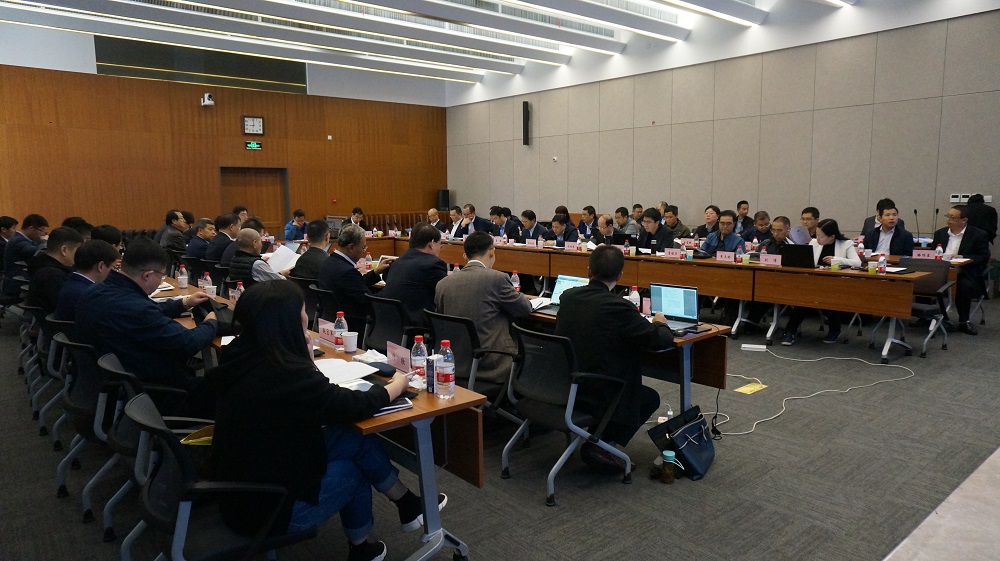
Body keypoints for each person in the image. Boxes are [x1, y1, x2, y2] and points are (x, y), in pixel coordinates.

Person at [208, 281, 441, 561]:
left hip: (241, 486)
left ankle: (406, 502)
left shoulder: (240, 353)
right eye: (303, 313)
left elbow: (317, 402)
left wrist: (303, 362)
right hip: (267, 509)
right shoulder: (287, 373)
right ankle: (362, 549)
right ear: (288, 324)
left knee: (351, 436)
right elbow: (353, 406)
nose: (307, 318)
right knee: (355, 469)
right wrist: (397, 386)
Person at [554, 246, 672, 472]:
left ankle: (598, 435)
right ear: (620, 276)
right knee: (649, 398)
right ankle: (602, 444)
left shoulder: (568, 297)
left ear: (588, 271)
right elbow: (658, 340)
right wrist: (661, 323)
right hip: (598, 392)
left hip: (563, 385)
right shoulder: (620, 307)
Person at [75, 238, 217, 390]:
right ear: (147, 275)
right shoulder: (136, 308)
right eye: (161, 276)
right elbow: (188, 343)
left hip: (109, 378)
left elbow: (147, 312)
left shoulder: (94, 291)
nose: (161, 280)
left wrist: (184, 303)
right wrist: (210, 323)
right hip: (151, 387)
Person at [434, 232, 531, 386]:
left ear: (465, 256)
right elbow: (524, 308)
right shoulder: (497, 278)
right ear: (492, 252)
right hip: (493, 363)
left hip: (456, 361)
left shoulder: (442, 284)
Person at [781, 219, 861, 346]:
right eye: (817, 235)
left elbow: (857, 263)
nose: (817, 238)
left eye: (821, 236)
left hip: (836, 284)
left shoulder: (846, 244)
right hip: (814, 282)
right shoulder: (814, 242)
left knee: (826, 298)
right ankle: (790, 331)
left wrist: (837, 259)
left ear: (832, 236)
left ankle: (835, 329)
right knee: (802, 300)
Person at [318, 224, 392, 343]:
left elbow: (355, 284)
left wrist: (375, 272)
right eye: (363, 248)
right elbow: (369, 302)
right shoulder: (347, 272)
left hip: (330, 321)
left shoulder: (328, 262)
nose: (363, 252)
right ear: (351, 247)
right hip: (353, 326)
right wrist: (391, 288)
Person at [932, 205, 991, 335]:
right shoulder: (940, 233)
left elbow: (983, 256)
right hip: (941, 270)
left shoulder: (978, 235)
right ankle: (926, 316)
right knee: (921, 279)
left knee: (963, 285)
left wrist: (963, 257)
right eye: (947, 216)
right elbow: (933, 252)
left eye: (953, 217)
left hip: (965, 271)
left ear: (964, 220)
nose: (948, 220)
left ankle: (964, 321)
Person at [380, 223, 447, 325]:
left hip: (389, 322)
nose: (440, 249)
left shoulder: (398, 261)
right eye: (440, 245)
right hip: (416, 324)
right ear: (431, 244)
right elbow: (445, 294)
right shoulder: (433, 264)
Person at [55, 240, 120, 322]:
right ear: (101, 266)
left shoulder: (69, 283)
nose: (113, 272)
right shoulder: (91, 295)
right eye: (113, 267)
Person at [25, 227, 84, 314]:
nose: (79, 255)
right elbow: (66, 307)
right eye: (77, 251)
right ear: (64, 250)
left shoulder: (40, 264)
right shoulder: (54, 276)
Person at [3, 214, 48, 295]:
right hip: (16, 285)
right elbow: (35, 252)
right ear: (31, 228)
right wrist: (44, 241)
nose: (43, 234)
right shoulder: (18, 240)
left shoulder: (23, 239)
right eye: (41, 230)